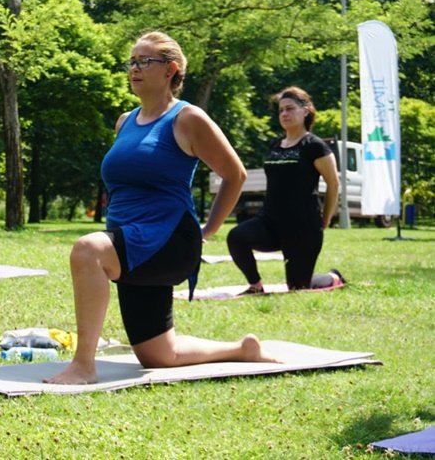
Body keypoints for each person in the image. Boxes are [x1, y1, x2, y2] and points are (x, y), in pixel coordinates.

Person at [45, 32, 277, 385]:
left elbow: (235, 174)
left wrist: (209, 230)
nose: (134, 69)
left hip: (168, 240)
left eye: (144, 61)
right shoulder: (125, 121)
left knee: (87, 250)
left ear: (170, 70)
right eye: (132, 62)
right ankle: (242, 349)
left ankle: (83, 366)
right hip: (130, 240)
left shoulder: (187, 118)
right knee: (158, 355)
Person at [227, 87, 344, 293]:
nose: (284, 114)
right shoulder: (275, 145)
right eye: (281, 110)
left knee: (298, 287)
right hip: (270, 223)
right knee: (236, 237)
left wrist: (325, 219)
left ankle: (332, 277)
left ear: (305, 111)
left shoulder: (315, 146)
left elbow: (333, 184)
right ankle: (255, 286)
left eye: (290, 109)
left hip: (302, 226)